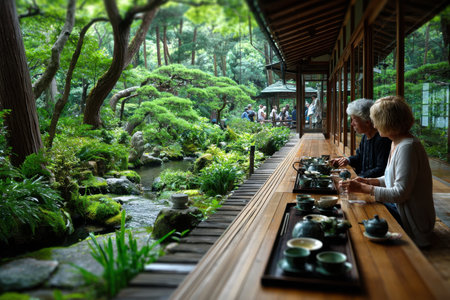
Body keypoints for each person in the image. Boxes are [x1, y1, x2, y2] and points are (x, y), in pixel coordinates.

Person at [341, 96, 435, 248]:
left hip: (412, 222)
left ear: (386, 121)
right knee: (355, 212)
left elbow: (400, 193)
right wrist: (369, 181)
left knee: (357, 222)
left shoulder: (407, 147)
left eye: (375, 120)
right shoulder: (396, 142)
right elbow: (391, 177)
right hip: (398, 209)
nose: (373, 124)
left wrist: (364, 188)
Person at [330, 99, 391, 178]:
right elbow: (359, 157)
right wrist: (347, 160)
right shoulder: (366, 136)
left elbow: (381, 170)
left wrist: (358, 178)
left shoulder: (383, 140)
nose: (352, 124)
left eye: (354, 120)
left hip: (373, 185)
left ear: (367, 122)